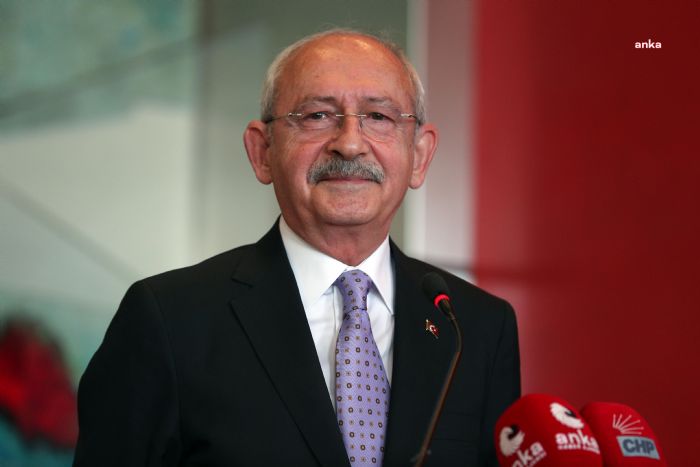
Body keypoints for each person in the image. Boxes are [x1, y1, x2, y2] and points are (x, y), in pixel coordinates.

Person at [73, 29, 520, 467]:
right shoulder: (168, 319)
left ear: (419, 156)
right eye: (317, 116)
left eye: (378, 117)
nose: (349, 143)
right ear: (262, 151)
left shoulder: (476, 327)